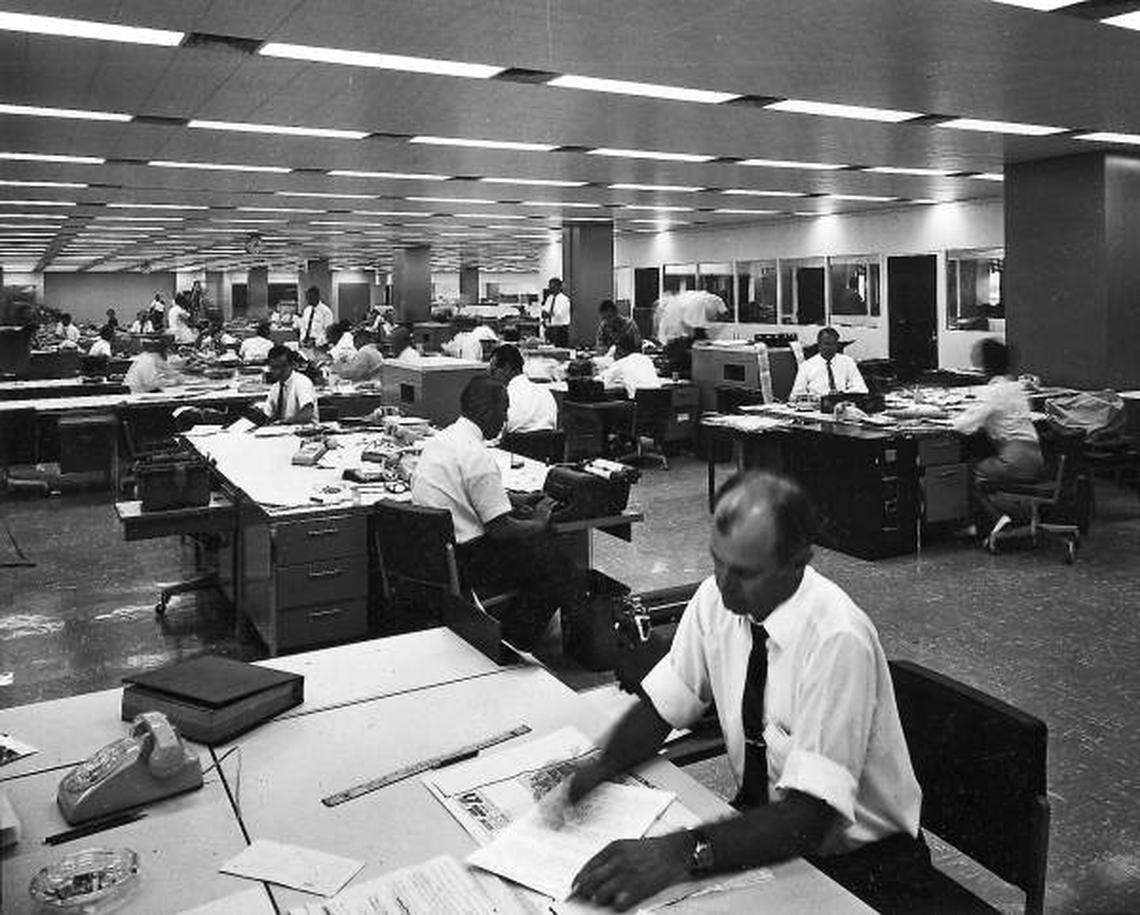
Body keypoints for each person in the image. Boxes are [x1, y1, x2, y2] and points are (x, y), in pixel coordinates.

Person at [556, 470, 923, 913]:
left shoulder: (836, 638)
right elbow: (662, 708)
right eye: (717, 561)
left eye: (745, 572)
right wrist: (599, 768)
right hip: (770, 832)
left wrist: (679, 852)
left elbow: (810, 818)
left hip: (862, 865)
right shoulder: (717, 600)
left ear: (798, 563)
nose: (724, 583)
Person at [410, 376, 585, 650]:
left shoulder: (441, 441)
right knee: (558, 567)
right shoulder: (477, 455)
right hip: (469, 560)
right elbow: (501, 529)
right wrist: (540, 521)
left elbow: (463, 490)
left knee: (543, 556)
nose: (505, 420)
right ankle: (512, 640)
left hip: (435, 554)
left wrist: (510, 499)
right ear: (486, 411)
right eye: (503, 410)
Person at [952, 338, 1045, 545]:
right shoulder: (1016, 388)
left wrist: (951, 417)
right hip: (1035, 457)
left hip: (1014, 459)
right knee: (984, 460)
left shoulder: (992, 392)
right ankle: (995, 519)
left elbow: (963, 426)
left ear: (987, 366)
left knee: (972, 469)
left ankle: (995, 520)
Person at [488, 343, 557, 434]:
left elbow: (496, 435)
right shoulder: (546, 393)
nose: (490, 377)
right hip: (550, 446)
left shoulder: (504, 397)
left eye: (493, 371)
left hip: (511, 447)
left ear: (507, 369)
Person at [789, 327, 868, 398]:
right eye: (827, 344)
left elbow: (861, 389)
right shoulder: (807, 366)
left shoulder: (847, 362)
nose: (830, 348)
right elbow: (795, 396)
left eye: (834, 344)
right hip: (817, 408)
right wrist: (817, 398)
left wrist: (842, 394)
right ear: (819, 344)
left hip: (842, 406)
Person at [260, 344, 318, 424]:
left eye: (282, 367)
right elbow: (268, 414)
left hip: (304, 432)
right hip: (283, 432)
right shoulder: (275, 387)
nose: (278, 371)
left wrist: (283, 422)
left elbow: (306, 414)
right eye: (274, 367)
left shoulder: (301, 382)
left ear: (292, 365)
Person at [540, 277, 572, 348]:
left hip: (560, 330)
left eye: (553, 286)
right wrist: (544, 313)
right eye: (550, 286)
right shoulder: (549, 298)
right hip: (549, 328)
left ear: (559, 287)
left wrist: (548, 314)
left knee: (559, 350)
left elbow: (559, 314)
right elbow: (545, 310)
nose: (551, 288)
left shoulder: (564, 299)